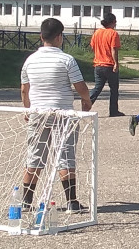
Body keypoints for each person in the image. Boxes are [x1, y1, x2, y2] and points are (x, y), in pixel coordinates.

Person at [20, 18, 92, 214]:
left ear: (41, 37)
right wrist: (86, 100)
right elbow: (80, 86)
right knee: (65, 156)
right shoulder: (66, 60)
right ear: (60, 37)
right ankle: (71, 201)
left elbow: (25, 90)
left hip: (38, 112)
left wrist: (28, 109)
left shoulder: (30, 60)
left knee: (35, 157)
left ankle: (26, 201)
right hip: (63, 113)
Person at [89, 12, 123, 117]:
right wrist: (116, 63)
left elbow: (92, 46)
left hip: (98, 64)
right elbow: (114, 49)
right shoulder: (113, 33)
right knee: (113, 89)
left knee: (97, 87)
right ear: (112, 22)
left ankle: (86, 104)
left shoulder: (97, 33)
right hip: (109, 65)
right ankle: (113, 111)